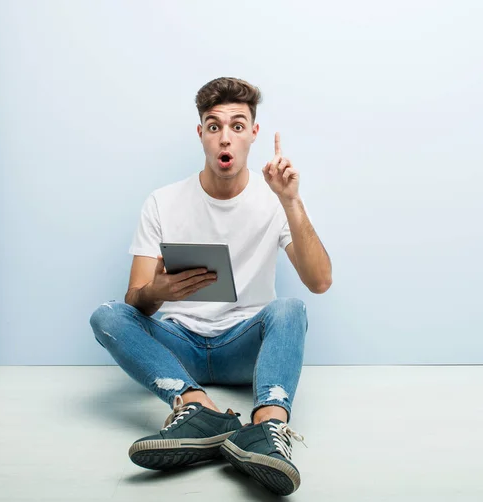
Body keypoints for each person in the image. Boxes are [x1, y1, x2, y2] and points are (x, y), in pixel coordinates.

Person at [89, 77, 332, 496]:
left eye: (238, 126)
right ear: (201, 133)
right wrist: (158, 291)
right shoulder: (162, 201)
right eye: (214, 125)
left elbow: (320, 281)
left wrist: (291, 201)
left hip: (243, 348)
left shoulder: (274, 199)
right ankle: (199, 410)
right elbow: (135, 302)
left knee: (290, 308)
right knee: (107, 315)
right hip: (179, 346)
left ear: (253, 134)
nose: (226, 137)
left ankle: (266, 428)